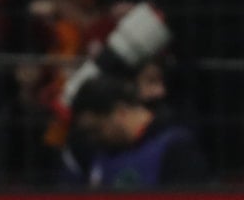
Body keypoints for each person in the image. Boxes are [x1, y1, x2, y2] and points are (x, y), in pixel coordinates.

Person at [67, 73, 211, 188]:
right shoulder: (99, 155)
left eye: (96, 129)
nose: (93, 139)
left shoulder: (176, 149)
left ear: (120, 112)